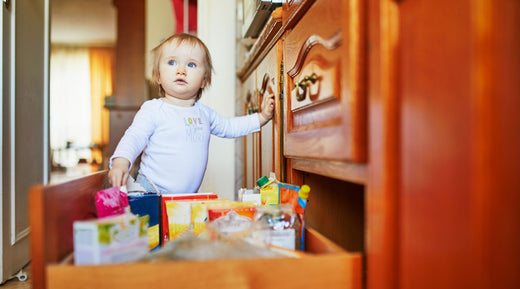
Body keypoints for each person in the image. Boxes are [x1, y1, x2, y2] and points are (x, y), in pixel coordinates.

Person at [108, 33, 275, 194]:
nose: (181, 70)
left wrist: (262, 117)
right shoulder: (153, 110)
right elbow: (134, 137)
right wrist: (121, 162)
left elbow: (230, 127)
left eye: (191, 65)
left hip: (188, 198)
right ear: (158, 76)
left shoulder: (204, 114)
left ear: (204, 80)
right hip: (152, 191)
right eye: (172, 62)